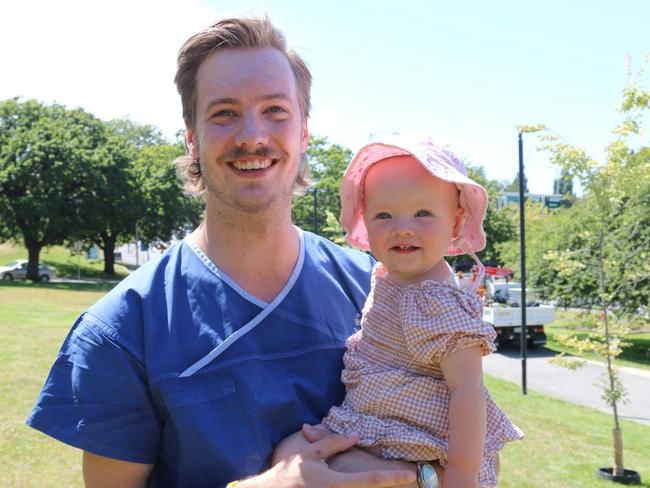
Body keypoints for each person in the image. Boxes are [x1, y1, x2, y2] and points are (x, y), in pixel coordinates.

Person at [26, 16, 418, 488]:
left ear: (304, 132)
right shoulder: (123, 332)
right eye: (224, 113)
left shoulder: (380, 290)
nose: (253, 136)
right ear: (191, 135)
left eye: (275, 110)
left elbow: (459, 449)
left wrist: (423, 477)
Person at [274, 135, 524, 487]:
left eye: (423, 213)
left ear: (455, 223)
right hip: (366, 421)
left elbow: (468, 390)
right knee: (287, 456)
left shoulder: (439, 301)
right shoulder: (386, 276)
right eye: (384, 214)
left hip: (415, 438)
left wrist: (461, 474)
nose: (402, 227)